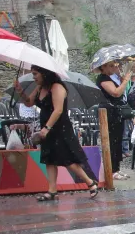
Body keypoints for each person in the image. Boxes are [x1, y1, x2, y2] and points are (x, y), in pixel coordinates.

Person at [13, 66, 99, 202]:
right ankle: (52, 190)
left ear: (44, 74)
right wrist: (19, 91)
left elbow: (58, 110)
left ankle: (90, 182)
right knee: (49, 159)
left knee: (67, 159)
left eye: (35, 74)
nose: (33, 77)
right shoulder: (40, 88)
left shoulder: (57, 87)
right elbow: (29, 103)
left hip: (59, 128)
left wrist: (46, 128)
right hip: (47, 129)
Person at [95, 61, 135, 180]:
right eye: (111, 65)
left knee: (118, 139)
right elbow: (116, 93)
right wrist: (125, 80)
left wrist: (122, 79)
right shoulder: (103, 78)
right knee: (112, 140)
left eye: (116, 65)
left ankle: (116, 168)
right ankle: (112, 170)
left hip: (116, 112)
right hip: (109, 113)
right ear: (103, 67)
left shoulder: (111, 78)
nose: (115, 67)